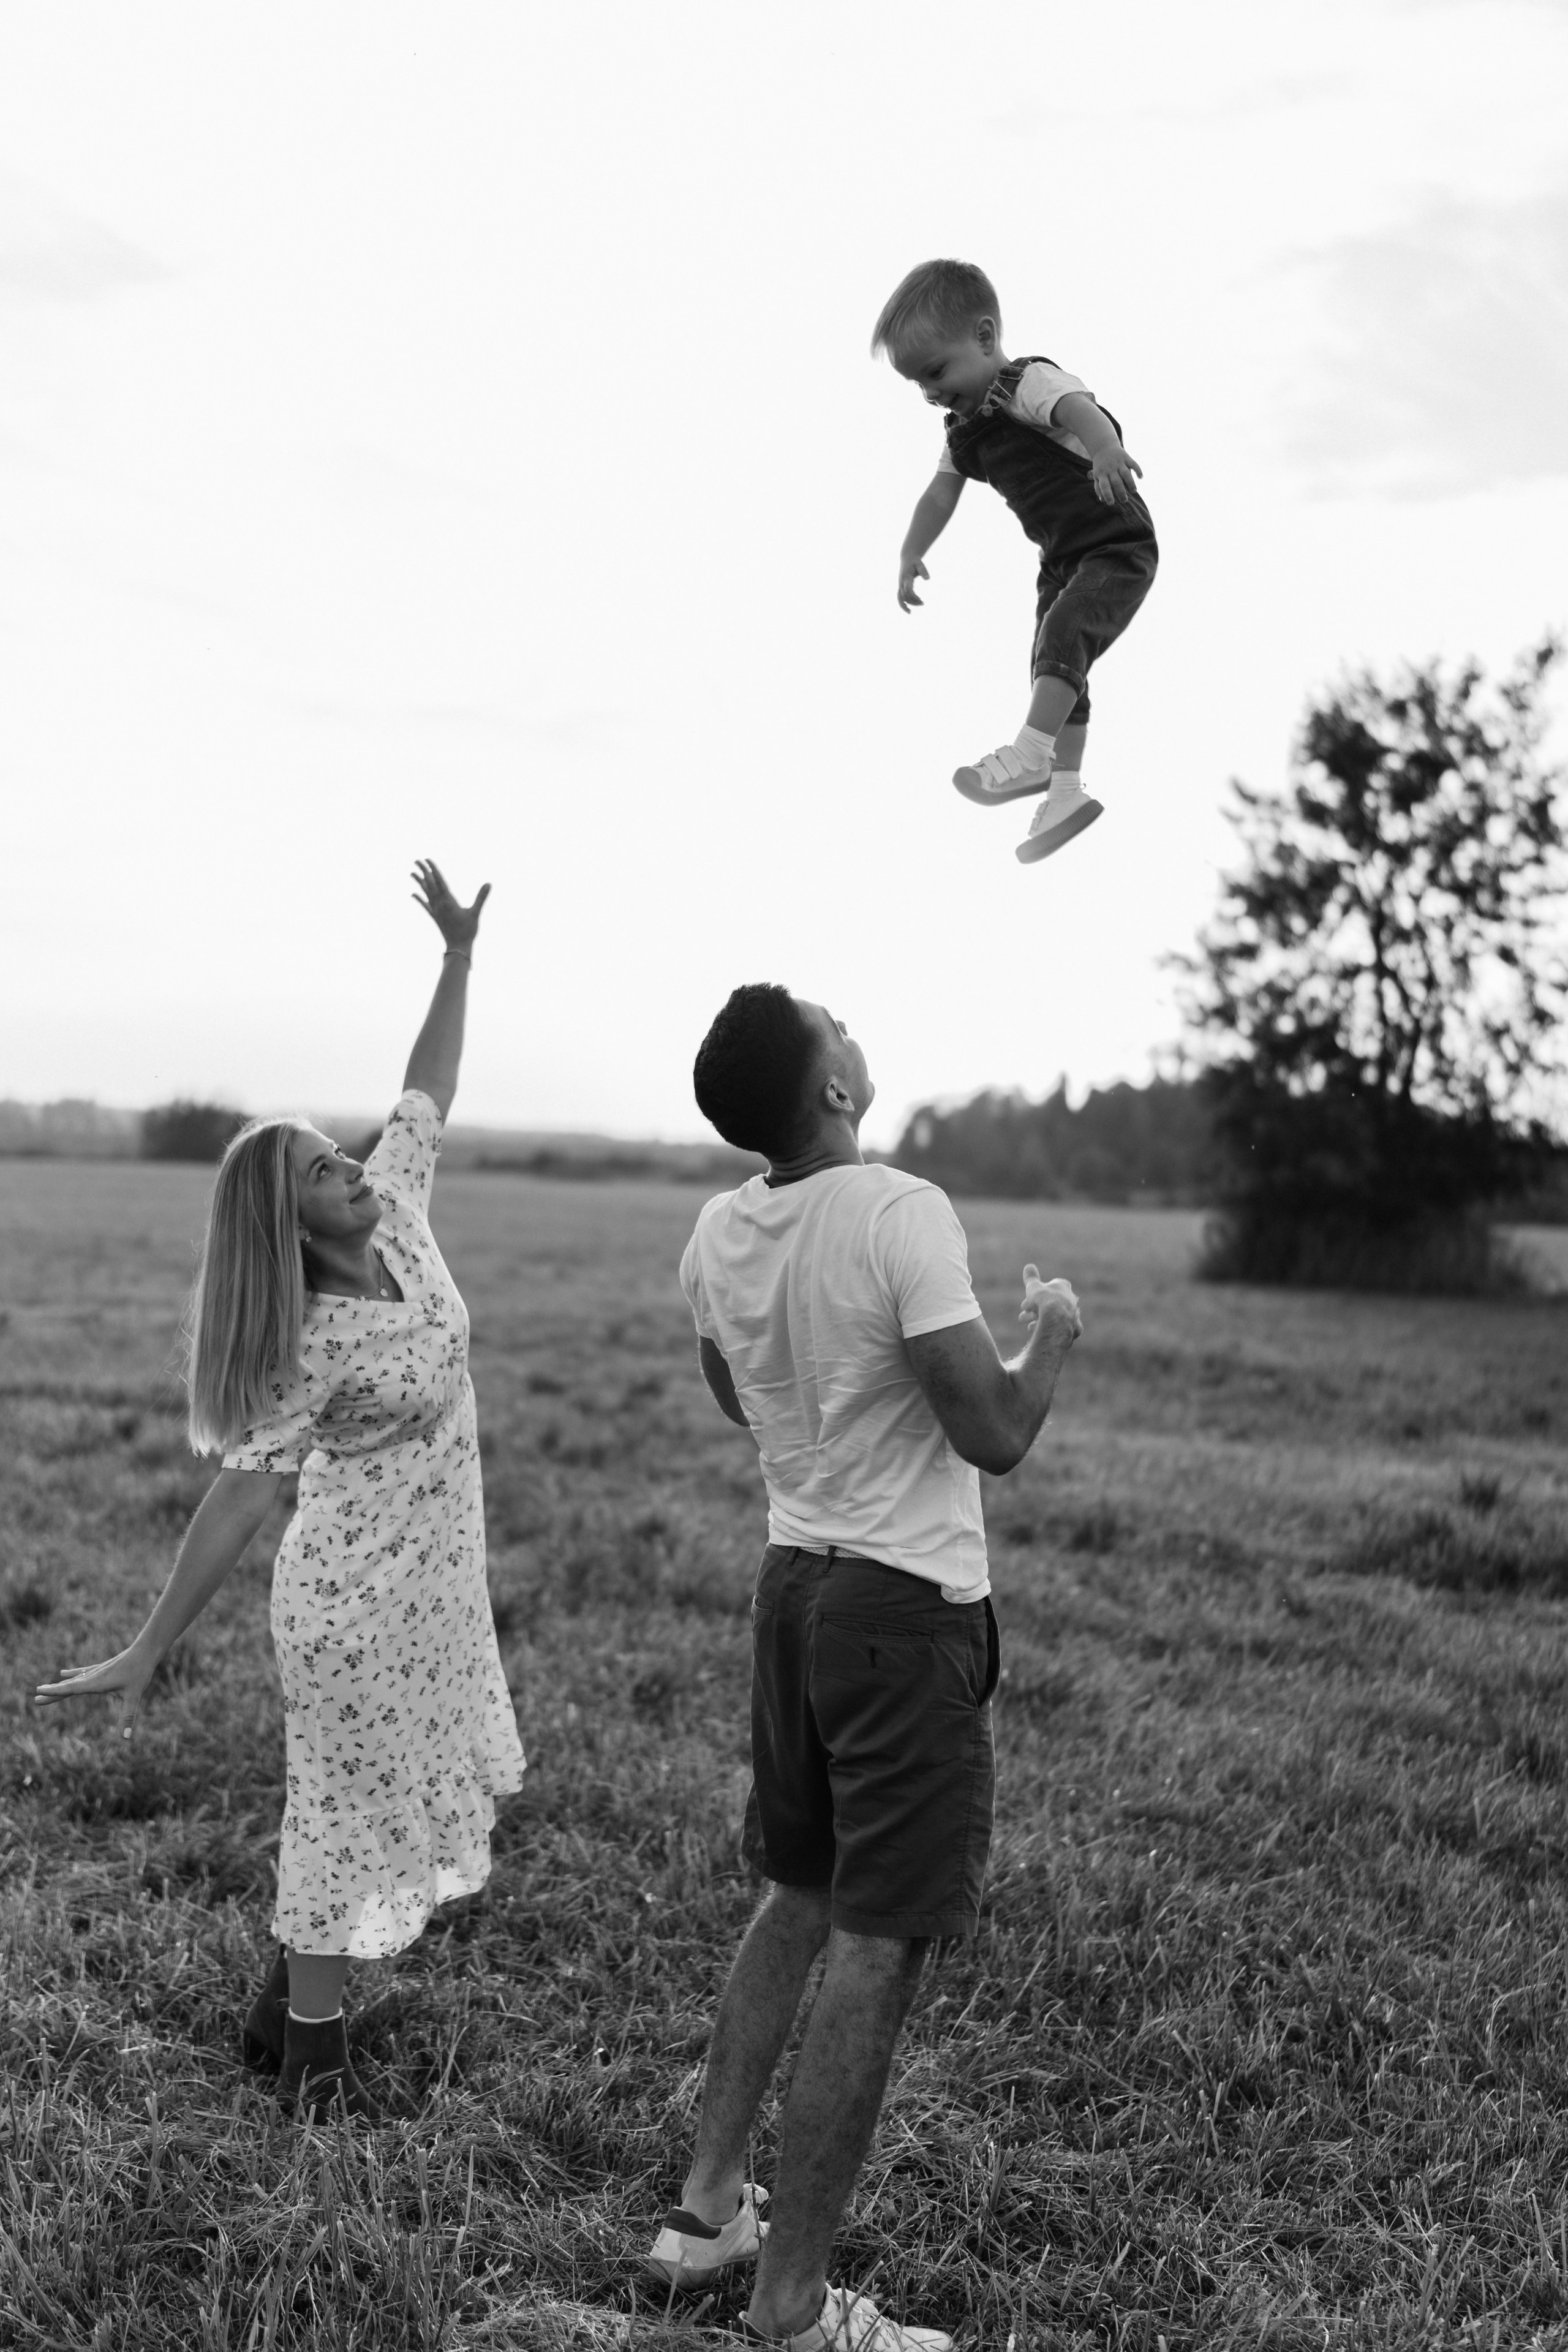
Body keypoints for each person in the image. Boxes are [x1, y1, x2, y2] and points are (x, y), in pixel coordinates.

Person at [36, 861, 525, 2123]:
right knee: (338, 1818)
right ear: (286, 1220)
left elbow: (429, 1086)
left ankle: (277, 2005)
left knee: (382, 1806)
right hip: (347, 1604)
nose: (348, 1168)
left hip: (432, 1584)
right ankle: (314, 2062)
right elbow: (242, 1504)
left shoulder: (402, 1212)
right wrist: (150, 1647)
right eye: (318, 1172)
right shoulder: (301, 1340)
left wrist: (457, 955)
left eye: (335, 1153)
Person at [647, 983, 1082, 2352]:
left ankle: (705, 2214)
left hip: (793, 1591)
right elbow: (994, 1429)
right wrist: (1052, 1327)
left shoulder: (716, 1233)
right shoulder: (900, 1210)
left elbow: (739, 1397)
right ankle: (787, 2305)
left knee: (799, 1893)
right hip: (900, 1612)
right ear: (830, 1089)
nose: (852, 1030)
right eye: (835, 1022)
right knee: (874, 1941)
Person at [872, 257, 1159, 866]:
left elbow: (1082, 408)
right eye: (916, 384)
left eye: (936, 371)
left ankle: (1031, 752)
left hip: (1116, 542)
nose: (929, 392)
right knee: (1054, 665)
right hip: (1061, 558)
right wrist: (911, 549)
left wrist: (1107, 449)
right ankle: (1064, 794)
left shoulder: (1027, 385)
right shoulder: (963, 431)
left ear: (982, 337)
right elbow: (939, 492)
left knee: (1063, 636)